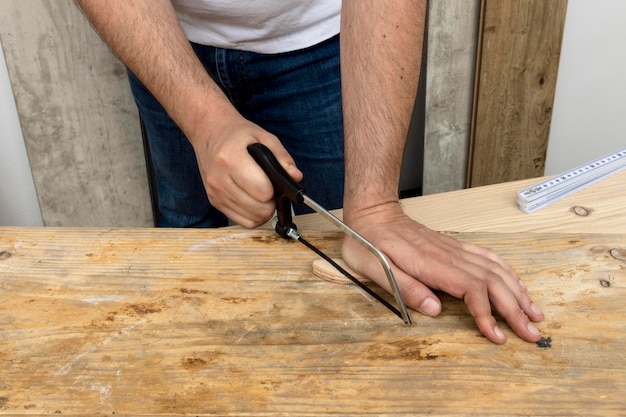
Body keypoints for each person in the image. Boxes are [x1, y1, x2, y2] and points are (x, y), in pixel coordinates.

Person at [76, 0, 544, 344]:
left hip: (326, 43)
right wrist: (204, 120)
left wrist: (375, 207)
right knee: (188, 234)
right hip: (156, 32)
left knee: (322, 263)